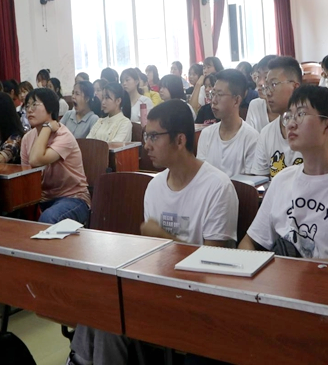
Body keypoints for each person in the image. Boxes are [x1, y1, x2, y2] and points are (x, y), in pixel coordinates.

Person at [70, 100, 238, 365]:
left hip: (197, 297)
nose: (146, 145)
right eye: (145, 136)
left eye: (153, 137)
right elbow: (151, 257)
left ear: (180, 140)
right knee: (102, 305)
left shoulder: (217, 187)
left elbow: (213, 266)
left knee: (111, 318)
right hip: (157, 286)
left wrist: (163, 237)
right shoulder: (155, 186)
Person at [240, 86, 328, 263]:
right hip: (280, 277)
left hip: (327, 279)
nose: (291, 124)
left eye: (300, 114)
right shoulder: (282, 179)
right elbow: (249, 242)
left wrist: (302, 270)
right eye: (289, 116)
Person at [20, 88, 90, 225]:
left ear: (50, 108)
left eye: (34, 104)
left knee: (48, 218)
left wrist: (46, 127)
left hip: (73, 198)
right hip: (42, 199)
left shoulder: (64, 136)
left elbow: (35, 160)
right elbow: (27, 176)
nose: (29, 110)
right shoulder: (27, 138)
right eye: (27, 106)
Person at [196, 70, 259, 177]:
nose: (213, 101)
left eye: (219, 95)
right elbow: (201, 176)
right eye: (213, 94)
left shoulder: (251, 138)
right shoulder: (206, 134)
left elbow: (249, 183)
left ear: (236, 100)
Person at [250, 57, 303, 177]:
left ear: (295, 87)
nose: (268, 93)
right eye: (267, 87)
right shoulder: (266, 133)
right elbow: (260, 180)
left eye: (273, 84)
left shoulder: (313, 129)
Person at [245, 55, 278, 133]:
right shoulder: (255, 105)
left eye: (266, 77)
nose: (260, 83)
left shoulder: (292, 110)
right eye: (258, 76)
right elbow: (249, 137)